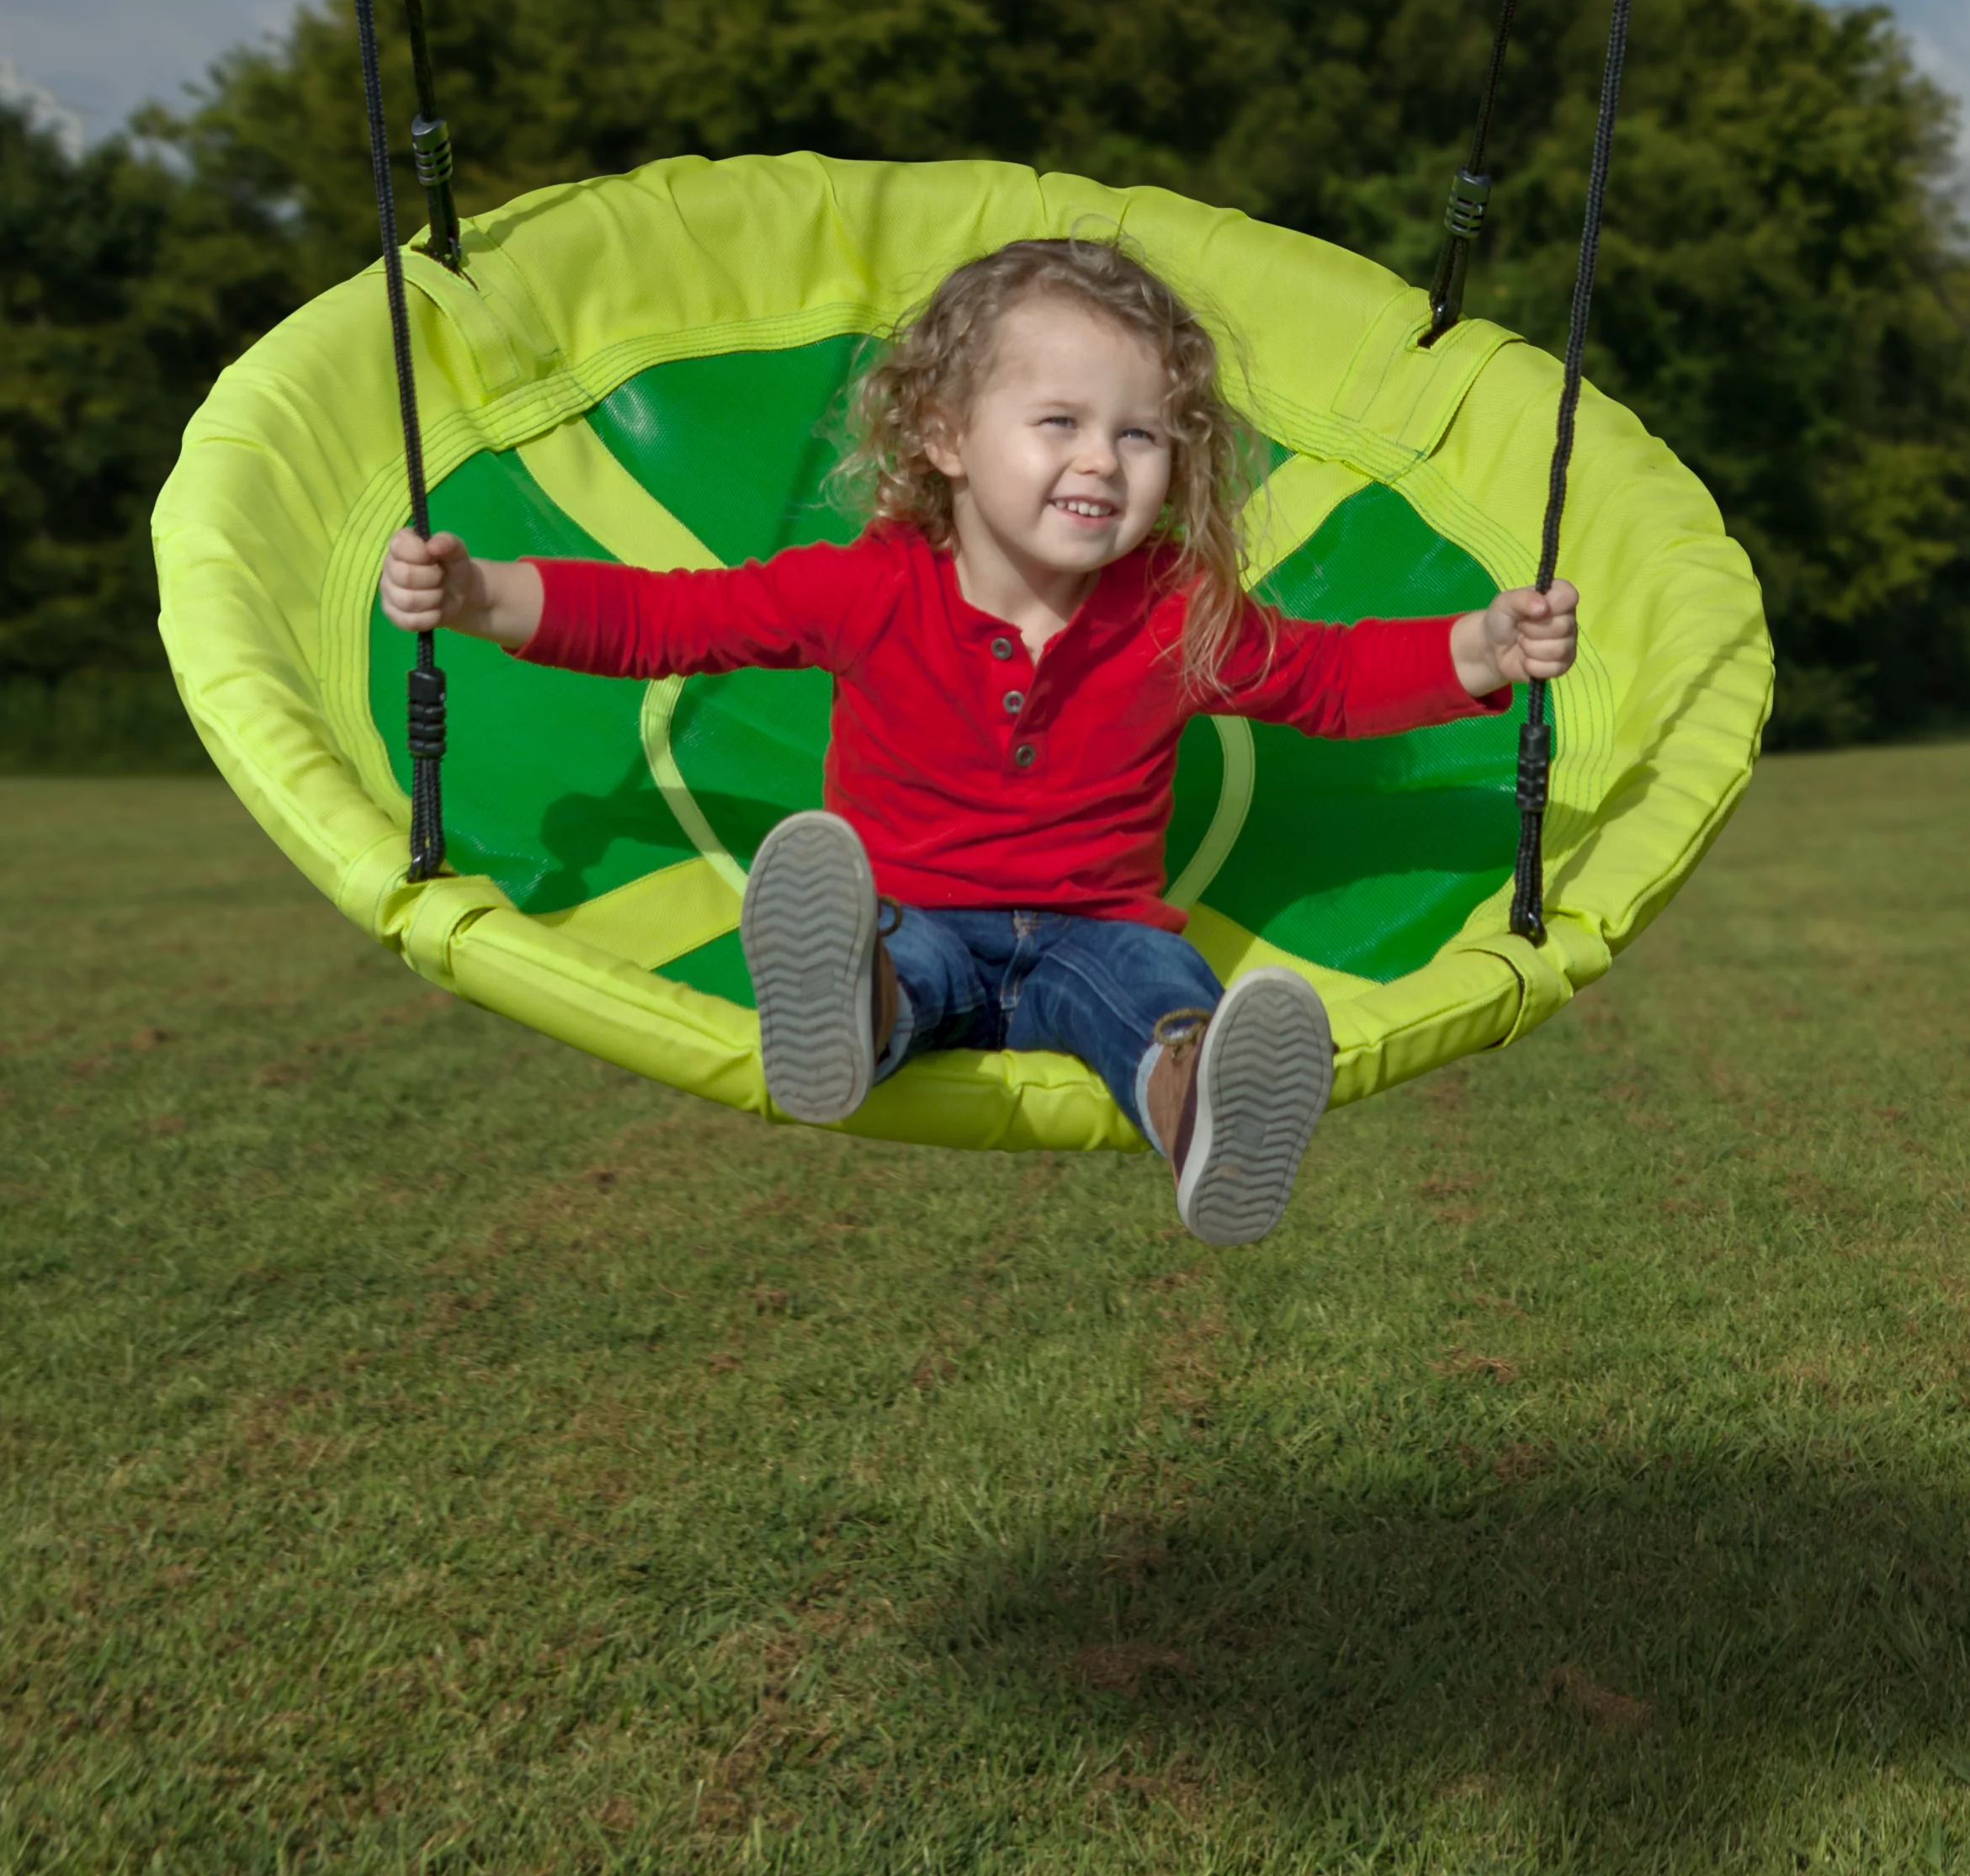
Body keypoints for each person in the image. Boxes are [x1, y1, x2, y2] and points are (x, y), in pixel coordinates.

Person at [380, 235, 1577, 1246]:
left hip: (1095, 935)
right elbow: (670, 619)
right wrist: (482, 596)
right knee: (900, 973)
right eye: (1059, 420)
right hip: (911, 918)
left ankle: (1208, 1115)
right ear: (945, 436)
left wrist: (1482, 647)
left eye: (1144, 435)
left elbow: (1330, 678)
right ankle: (849, 1014)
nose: (1103, 459)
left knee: (1164, 1007)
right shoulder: (872, 589)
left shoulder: (1173, 616)